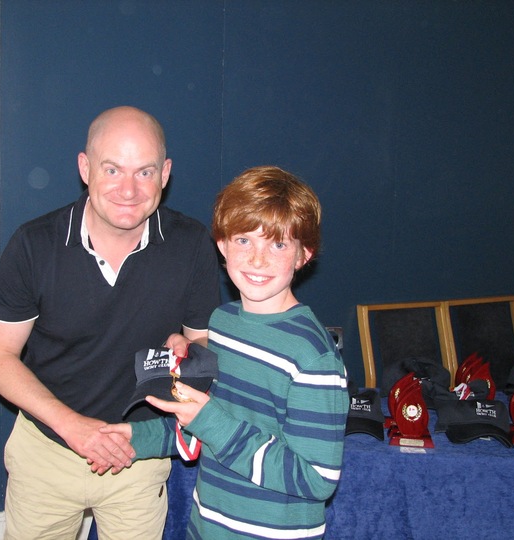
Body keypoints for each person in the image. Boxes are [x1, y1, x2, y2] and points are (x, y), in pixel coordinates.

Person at [0, 106, 221, 539]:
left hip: (137, 453)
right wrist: (72, 426)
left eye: (145, 172)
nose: (129, 189)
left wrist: (189, 356)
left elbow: (202, 343)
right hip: (46, 451)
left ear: (165, 174)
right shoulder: (34, 245)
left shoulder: (191, 245)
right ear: (85, 167)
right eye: (112, 169)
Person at [103, 165, 350, 539]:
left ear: (303, 255)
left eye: (278, 244)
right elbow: (204, 425)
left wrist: (211, 421)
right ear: (222, 245)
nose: (258, 259)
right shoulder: (221, 323)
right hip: (208, 525)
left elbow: (316, 479)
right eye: (244, 240)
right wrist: (136, 438)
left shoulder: (312, 356)